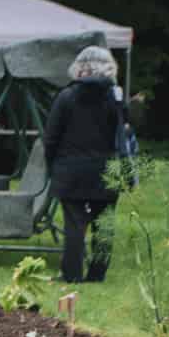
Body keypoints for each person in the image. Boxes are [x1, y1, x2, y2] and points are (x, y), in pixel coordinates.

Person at [44, 46, 131, 284]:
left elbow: (50, 137)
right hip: (106, 171)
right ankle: (97, 274)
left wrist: (53, 165)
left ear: (78, 68)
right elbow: (124, 131)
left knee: (74, 224)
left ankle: (71, 275)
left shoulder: (66, 97)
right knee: (104, 226)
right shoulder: (115, 97)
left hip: (70, 171)